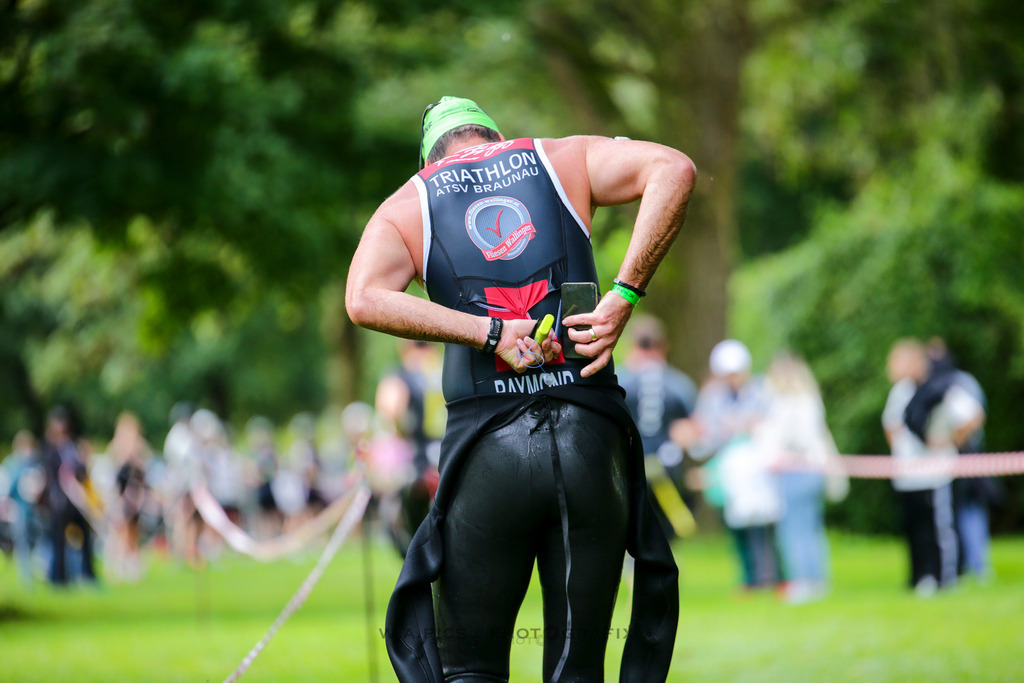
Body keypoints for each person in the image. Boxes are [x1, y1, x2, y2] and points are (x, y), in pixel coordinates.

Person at [346, 96, 695, 681]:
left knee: (470, 667)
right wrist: (624, 295)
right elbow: (675, 169)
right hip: (591, 441)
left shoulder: (410, 202)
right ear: (496, 136)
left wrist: (487, 333)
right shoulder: (561, 158)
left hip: (487, 450)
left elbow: (362, 299)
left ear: (432, 155)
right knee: (576, 668)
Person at [672, 339, 779, 590]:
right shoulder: (711, 397)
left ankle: (770, 577)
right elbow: (705, 436)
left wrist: (744, 425)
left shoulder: (761, 391)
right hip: (727, 468)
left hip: (756, 469)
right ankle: (749, 578)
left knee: (762, 524)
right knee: (736, 525)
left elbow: (769, 426)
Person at [883, 339, 984, 596]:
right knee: (915, 528)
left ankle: (946, 579)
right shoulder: (901, 391)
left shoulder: (941, 386)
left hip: (936, 473)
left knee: (940, 528)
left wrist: (950, 440)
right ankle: (921, 578)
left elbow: (973, 415)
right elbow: (891, 427)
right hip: (907, 475)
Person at [759, 352, 847, 603]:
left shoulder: (784, 403)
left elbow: (788, 439)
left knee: (793, 530)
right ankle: (817, 580)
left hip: (794, 470)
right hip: (815, 470)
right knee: (811, 528)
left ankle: (802, 582)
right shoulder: (811, 400)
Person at [618, 315, 698, 539]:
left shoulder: (620, 381)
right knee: (664, 534)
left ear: (633, 345)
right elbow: (689, 433)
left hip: (628, 467)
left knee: (632, 529)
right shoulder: (679, 384)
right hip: (668, 471)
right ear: (664, 345)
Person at [375, 339, 445, 555]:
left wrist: (399, 433)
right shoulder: (443, 369)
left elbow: (390, 411)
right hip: (449, 453)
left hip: (418, 460)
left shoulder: (400, 375)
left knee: (409, 528)